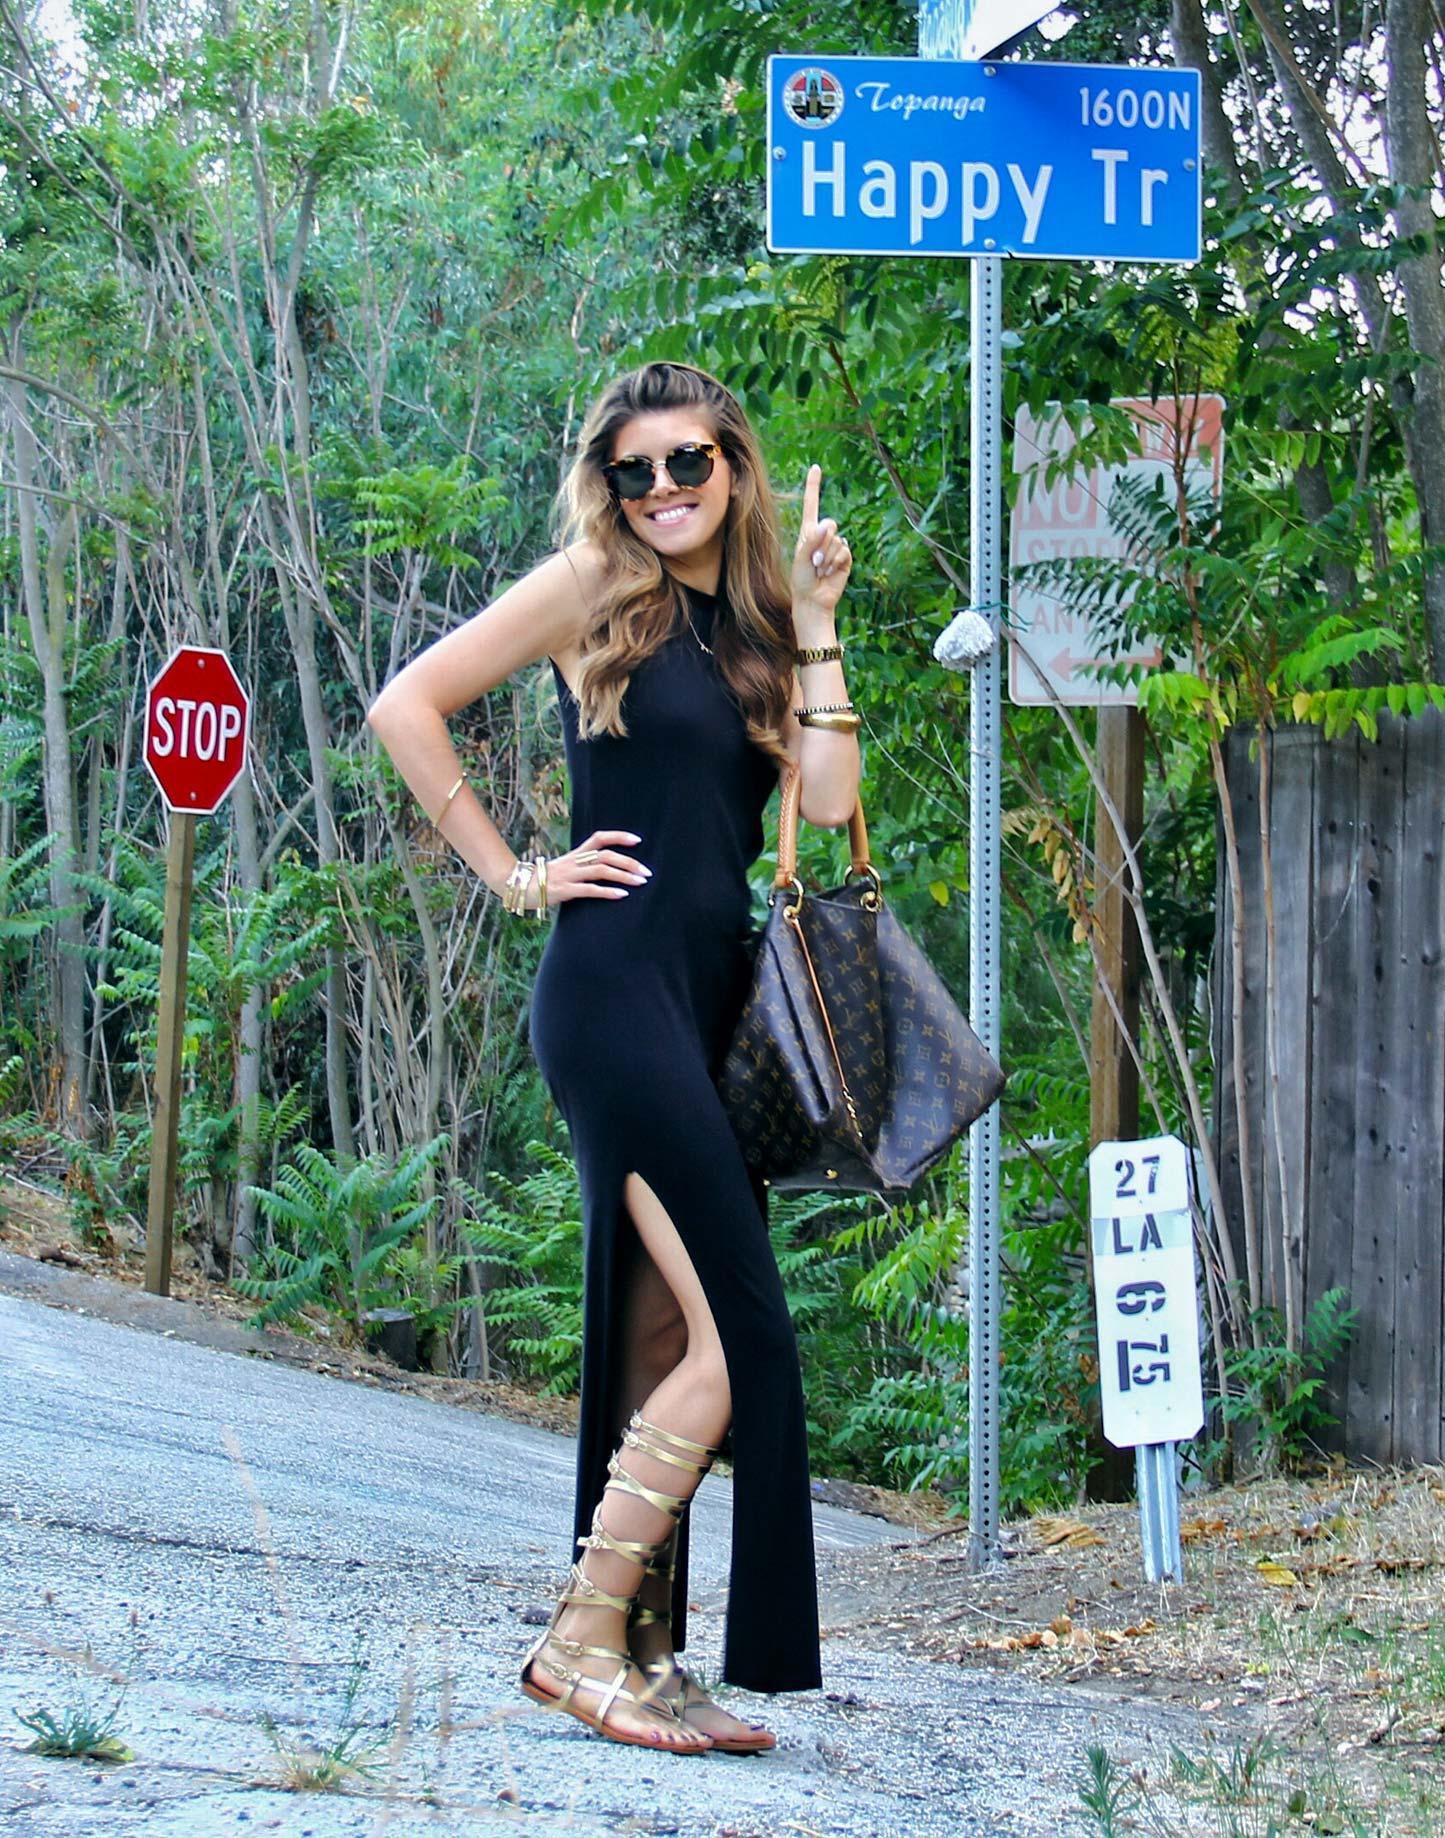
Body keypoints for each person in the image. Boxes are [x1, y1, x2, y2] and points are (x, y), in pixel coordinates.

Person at [366, 361, 859, 1755]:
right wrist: (518, 873)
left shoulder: (762, 622)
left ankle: (643, 1651)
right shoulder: (594, 585)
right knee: (743, 1335)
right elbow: (411, 704)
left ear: (734, 464)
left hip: (707, 1005)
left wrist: (818, 622)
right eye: (635, 472)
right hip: (611, 991)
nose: (661, 495)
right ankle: (582, 1635)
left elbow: (825, 802)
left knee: (662, 1334)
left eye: (686, 466)